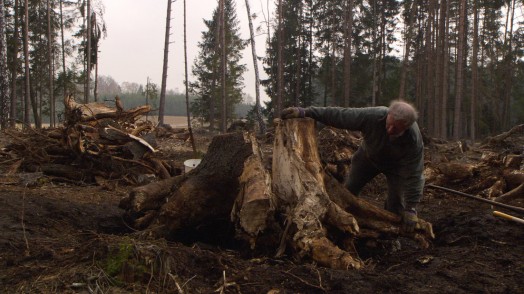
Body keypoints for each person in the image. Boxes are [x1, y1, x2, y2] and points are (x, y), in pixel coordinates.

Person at [280, 100, 424, 233]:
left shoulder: (413, 139)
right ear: (388, 114)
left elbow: (415, 173)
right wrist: (306, 112)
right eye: (389, 124)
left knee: (397, 204)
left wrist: (411, 208)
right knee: (348, 192)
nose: (390, 130)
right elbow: (340, 115)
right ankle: (344, 225)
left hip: (396, 167)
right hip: (367, 159)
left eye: (396, 129)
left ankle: (390, 235)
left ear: (406, 127)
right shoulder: (373, 116)